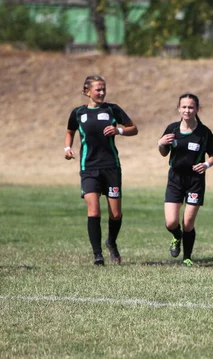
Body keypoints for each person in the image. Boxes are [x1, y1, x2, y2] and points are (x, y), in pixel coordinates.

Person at [64, 75, 138, 265]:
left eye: (104, 89)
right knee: (94, 211)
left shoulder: (112, 109)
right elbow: (70, 130)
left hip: (111, 167)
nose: (102, 92)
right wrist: (67, 148)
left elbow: (133, 128)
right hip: (89, 167)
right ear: (87, 91)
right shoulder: (78, 112)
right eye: (98, 89)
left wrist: (119, 131)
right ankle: (98, 255)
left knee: (116, 214)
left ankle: (111, 242)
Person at [158, 93, 213, 267]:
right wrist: (161, 143)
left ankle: (187, 257)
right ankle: (176, 236)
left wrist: (206, 165)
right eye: (184, 107)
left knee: (188, 222)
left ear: (197, 109)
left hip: (195, 181)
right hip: (175, 180)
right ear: (178, 109)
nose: (187, 110)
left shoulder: (204, 132)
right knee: (171, 222)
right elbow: (164, 152)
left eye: (191, 107)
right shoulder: (172, 129)